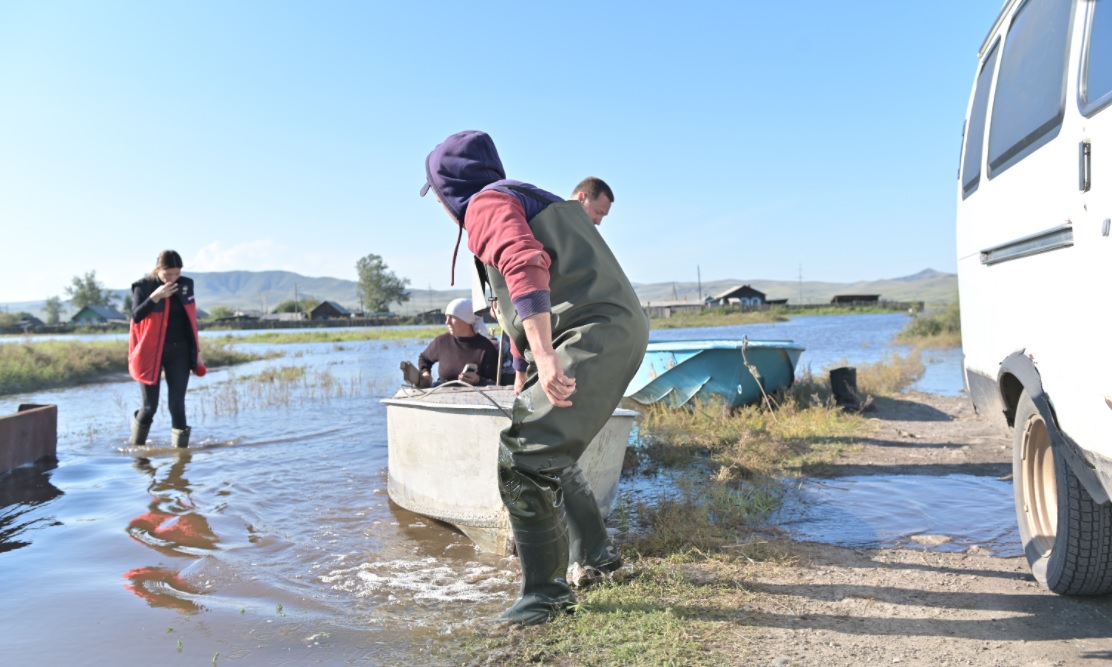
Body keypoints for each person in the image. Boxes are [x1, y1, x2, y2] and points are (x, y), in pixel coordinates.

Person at [420, 131, 648, 625]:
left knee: (522, 460)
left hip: (592, 335)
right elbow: (516, 314)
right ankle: (597, 557)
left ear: (449, 187)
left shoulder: (484, 205)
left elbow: (525, 264)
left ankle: (546, 596)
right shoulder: (511, 198)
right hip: (605, 329)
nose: (439, 206)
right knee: (550, 453)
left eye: (436, 194)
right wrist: (527, 370)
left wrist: (545, 355)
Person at [127, 250, 206, 448]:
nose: (173, 278)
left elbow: (191, 321)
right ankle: (136, 449)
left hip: (179, 351)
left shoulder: (186, 285)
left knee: (177, 405)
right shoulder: (144, 286)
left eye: (176, 273)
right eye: (168, 274)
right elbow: (136, 316)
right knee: (149, 407)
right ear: (157, 270)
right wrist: (155, 297)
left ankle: (181, 459)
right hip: (150, 352)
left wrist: (196, 354)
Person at [414, 298, 500, 387]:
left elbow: (494, 382)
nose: (447, 322)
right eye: (446, 317)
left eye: (452, 317)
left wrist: (478, 380)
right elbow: (424, 358)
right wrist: (425, 373)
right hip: (442, 397)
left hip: (476, 398)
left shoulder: (486, 347)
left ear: (466, 319)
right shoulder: (441, 342)